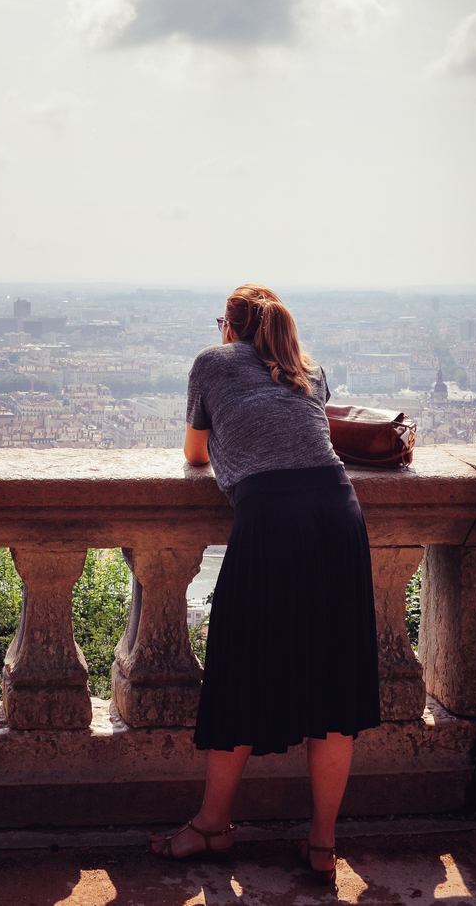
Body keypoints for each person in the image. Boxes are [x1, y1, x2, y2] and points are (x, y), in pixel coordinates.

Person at [148, 284, 381, 889]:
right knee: (334, 683)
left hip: (271, 518)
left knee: (240, 668)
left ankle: (212, 825)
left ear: (228, 326)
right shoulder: (310, 369)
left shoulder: (211, 363)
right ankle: (323, 844)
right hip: (337, 512)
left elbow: (195, 455)